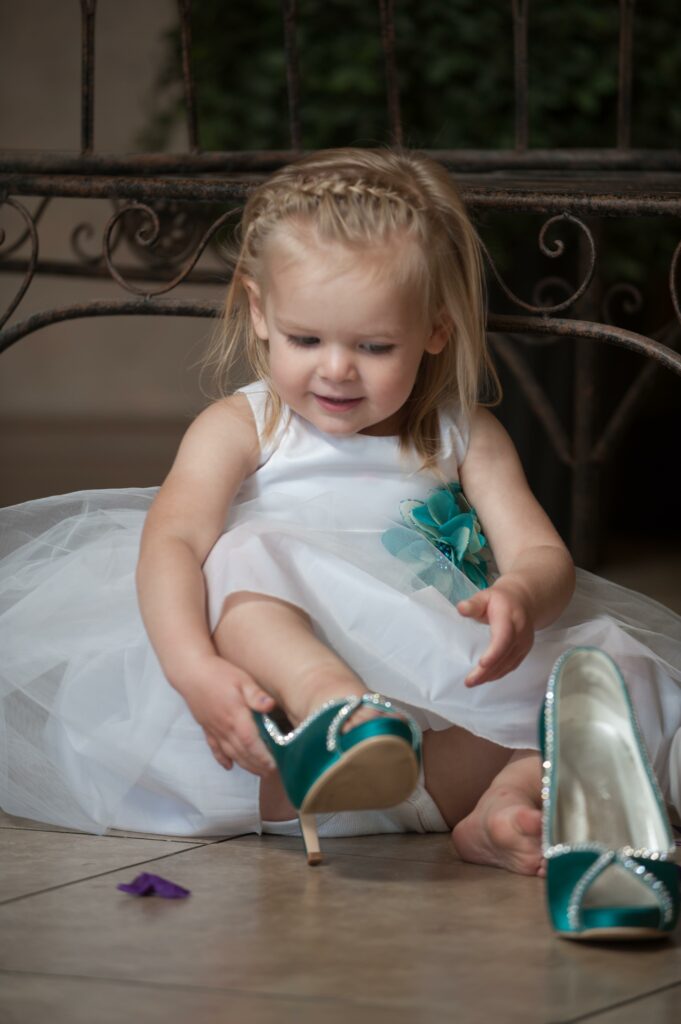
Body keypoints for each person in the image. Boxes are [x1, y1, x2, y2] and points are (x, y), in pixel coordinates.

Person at [1, 148, 680, 874]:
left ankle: (503, 807)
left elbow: (541, 556)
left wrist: (519, 593)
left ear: (435, 330)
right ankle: (341, 714)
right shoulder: (244, 426)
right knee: (242, 553)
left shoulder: (461, 433)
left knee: (612, 668)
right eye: (306, 339)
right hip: (283, 721)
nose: (334, 368)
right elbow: (168, 544)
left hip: (438, 710)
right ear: (259, 312)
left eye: (374, 345)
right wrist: (192, 668)